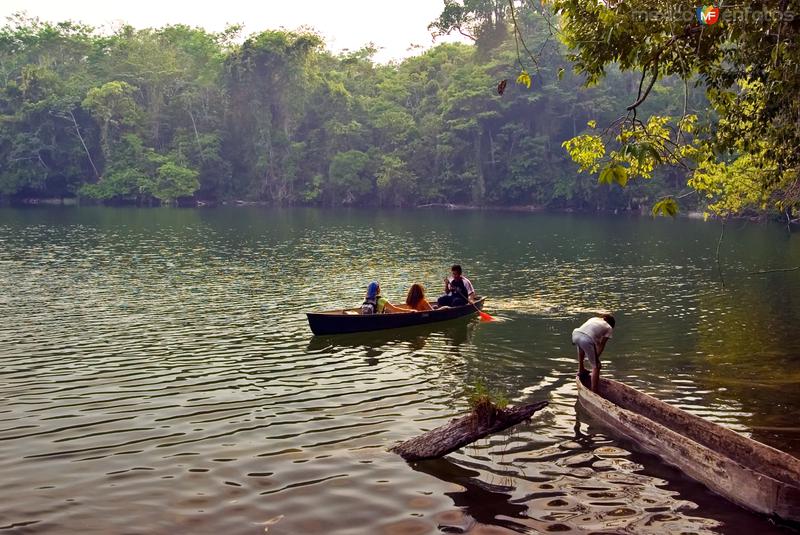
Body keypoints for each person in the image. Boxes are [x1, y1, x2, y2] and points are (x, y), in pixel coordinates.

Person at [572, 314, 615, 392]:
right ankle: (594, 390)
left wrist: (593, 357)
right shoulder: (609, 328)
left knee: (582, 348)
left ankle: (581, 369)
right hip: (586, 339)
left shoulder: (594, 319)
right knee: (597, 366)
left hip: (576, 334)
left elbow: (592, 337)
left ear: (604, 318)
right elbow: (601, 345)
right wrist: (596, 359)